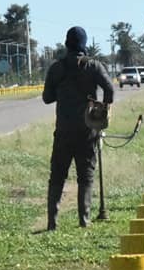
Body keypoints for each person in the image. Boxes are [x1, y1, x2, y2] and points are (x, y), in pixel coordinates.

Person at [42, 26, 115, 230]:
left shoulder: (56, 68)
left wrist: (63, 93)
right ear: (84, 45)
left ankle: (52, 223)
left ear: (67, 44)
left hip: (63, 131)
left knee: (57, 176)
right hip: (88, 130)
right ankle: (84, 220)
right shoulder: (94, 66)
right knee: (86, 176)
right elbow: (109, 89)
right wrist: (102, 111)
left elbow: (47, 98)